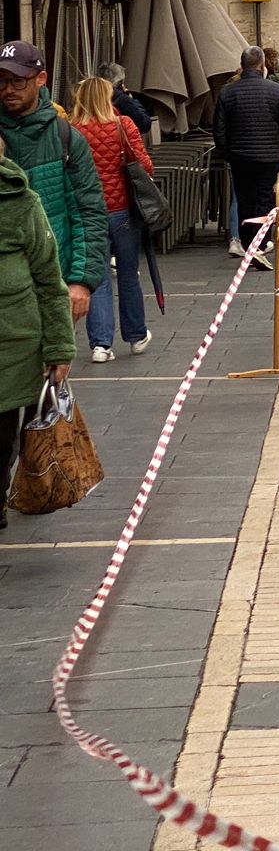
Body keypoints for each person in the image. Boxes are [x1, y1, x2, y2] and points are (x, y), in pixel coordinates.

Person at [0, 42, 106, 328]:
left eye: (18, 80)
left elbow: (88, 213)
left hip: (51, 287)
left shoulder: (66, 139)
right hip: (5, 290)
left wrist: (81, 281)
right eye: (2, 81)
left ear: (41, 79)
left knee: (53, 368)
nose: (9, 89)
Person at [0, 139, 75, 532]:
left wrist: (60, 348)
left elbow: (49, 280)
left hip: (13, 349)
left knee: (2, 443)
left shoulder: (22, 203)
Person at [66, 77, 153, 363]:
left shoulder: (71, 131)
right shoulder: (122, 125)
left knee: (99, 277)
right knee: (128, 274)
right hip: (123, 210)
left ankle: (101, 345)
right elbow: (144, 165)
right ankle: (136, 335)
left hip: (87, 213)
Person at [213, 46, 279, 271]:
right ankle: (257, 246)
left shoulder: (227, 92)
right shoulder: (276, 91)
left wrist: (225, 152)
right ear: (263, 65)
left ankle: (250, 244)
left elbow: (219, 128)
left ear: (242, 66)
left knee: (244, 200)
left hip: (240, 156)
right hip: (269, 156)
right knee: (264, 200)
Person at [99, 63, 154, 137]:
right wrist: (133, 101)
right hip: (117, 144)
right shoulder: (122, 100)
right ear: (120, 82)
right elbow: (144, 125)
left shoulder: (87, 97)